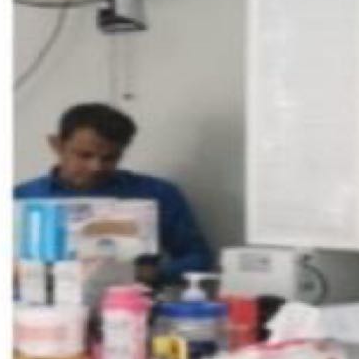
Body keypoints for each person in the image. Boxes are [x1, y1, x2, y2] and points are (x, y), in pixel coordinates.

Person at [14, 102, 213, 285]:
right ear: (57, 145)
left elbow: (199, 258)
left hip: (130, 302)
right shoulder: (22, 197)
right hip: (39, 304)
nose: (96, 167)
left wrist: (150, 273)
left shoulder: (157, 193)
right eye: (84, 155)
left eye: (110, 158)